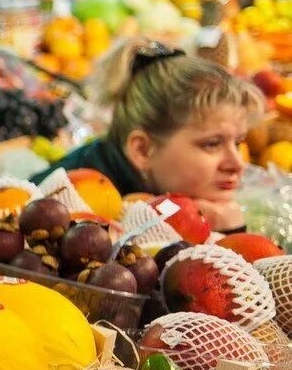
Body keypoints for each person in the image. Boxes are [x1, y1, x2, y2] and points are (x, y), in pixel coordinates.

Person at [39, 38, 262, 233]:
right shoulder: (72, 209)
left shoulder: (149, 187)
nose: (237, 164)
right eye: (212, 144)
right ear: (142, 150)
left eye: (238, 142)